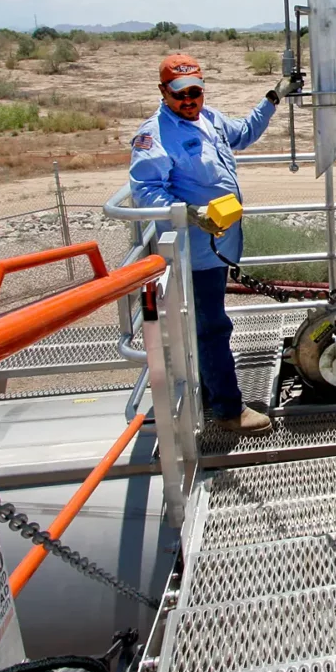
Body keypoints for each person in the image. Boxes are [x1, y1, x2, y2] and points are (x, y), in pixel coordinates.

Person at [128, 53, 283, 435]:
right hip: (192, 251)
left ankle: (207, 393)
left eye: (194, 91)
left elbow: (243, 132)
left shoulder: (210, 118)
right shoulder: (156, 135)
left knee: (204, 324)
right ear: (163, 92)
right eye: (180, 94)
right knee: (212, 326)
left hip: (219, 244)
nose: (189, 100)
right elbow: (145, 190)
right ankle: (228, 410)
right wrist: (187, 212)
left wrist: (273, 100)